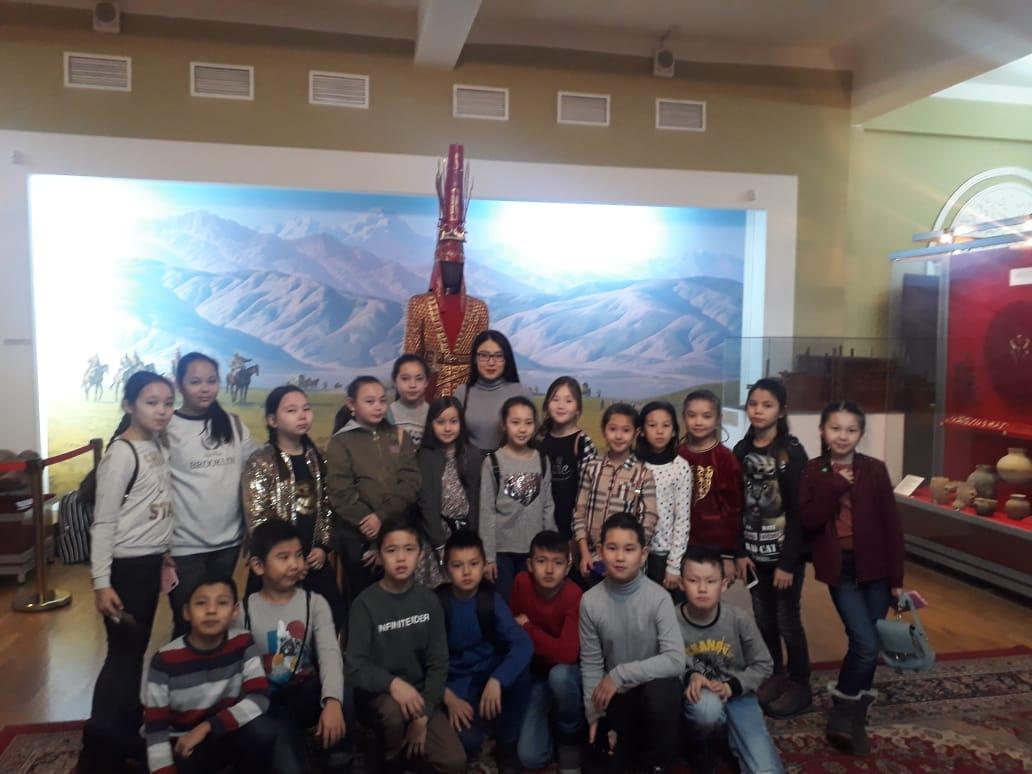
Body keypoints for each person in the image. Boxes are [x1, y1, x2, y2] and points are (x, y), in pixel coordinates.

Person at [79, 371, 175, 773]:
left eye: (168, 403)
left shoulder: (157, 444)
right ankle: (97, 751)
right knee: (122, 656)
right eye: (152, 402)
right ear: (129, 405)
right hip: (126, 569)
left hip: (148, 564)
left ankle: (123, 736)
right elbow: (103, 523)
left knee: (134, 653)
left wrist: (165, 555)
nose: (162, 410)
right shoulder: (121, 454)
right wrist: (101, 584)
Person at [799, 400, 904, 756]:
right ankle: (845, 711)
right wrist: (834, 485)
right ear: (822, 431)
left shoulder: (874, 469)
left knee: (866, 643)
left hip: (877, 569)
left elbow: (892, 526)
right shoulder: (814, 470)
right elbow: (810, 520)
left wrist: (897, 578)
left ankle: (851, 714)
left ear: (860, 434)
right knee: (865, 643)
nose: (842, 436)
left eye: (851, 429)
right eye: (835, 428)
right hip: (840, 570)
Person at [345, 520, 466, 774]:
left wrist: (423, 718)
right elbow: (355, 667)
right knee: (392, 715)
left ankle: (410, 752)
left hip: (420, 695)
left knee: (454, 762)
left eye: (409, 550)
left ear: (420, 555)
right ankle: (389, 760)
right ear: (379, 556)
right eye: (391, 551)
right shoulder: (364, 604)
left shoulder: (429, 600)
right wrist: (393, 684)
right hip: (379, 695)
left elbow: (438, 664)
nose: (401, 558)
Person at [579, 513, 685, 774]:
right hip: (616, 699)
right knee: (597, 767)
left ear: (643, 554)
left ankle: (659, 762)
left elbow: (675, 661)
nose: (620, 557)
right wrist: (595, 716)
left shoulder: (659, 598)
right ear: (600, 551)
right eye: (612, 548)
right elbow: (591, 662)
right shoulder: (590, 601)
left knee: (663, 691)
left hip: (652, 696)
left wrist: (620, 674)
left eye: (629, 549)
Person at [732, 378, 812, 717]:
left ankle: (800, 683)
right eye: (753, 404)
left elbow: (799, 511)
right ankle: (774, 673)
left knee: (787, 619)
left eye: (767, 405)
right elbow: (735, 506)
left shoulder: (792, 453)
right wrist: (739, 552)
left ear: (781, 411)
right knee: (763, 618)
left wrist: (788, 562)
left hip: (783, 559)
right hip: (753, 556)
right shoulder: (740, 451)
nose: (758, 411)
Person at [243, 521, 350, 774]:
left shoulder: (315, 603)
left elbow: (330, 654)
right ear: (258, 565)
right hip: (267, 703)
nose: (294, 564)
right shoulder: (244, 611)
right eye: (283, 557)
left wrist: (333, 702)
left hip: (305, 693)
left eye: (299, 555)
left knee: (344, 686)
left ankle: (339, 758)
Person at [143, 575, 279, 774]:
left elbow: (259, 698)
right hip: (183, 741)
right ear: (186, 612)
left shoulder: (243, 642)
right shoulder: (165, 660)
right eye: (201, 603)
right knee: (183, 761)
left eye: (222, 603)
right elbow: (156, 727)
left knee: (263, 731)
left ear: (235, 611)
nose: (211, 610)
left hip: (223, 729)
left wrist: (207, 727)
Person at [167, 352, 256, 638]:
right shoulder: (167, 428)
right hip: (183, 547)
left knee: (218, 622)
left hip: (228, 543)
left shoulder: (234, 424)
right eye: (195, 382)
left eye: (211, 381)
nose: (205, 388)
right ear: (179, 385)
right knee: (187, 624)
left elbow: (254, 471)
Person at [242, 385, 345, 631]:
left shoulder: (318, 458)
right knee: (272, 628)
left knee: (331, 617)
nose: (302, 415)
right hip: (275, 564)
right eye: (291, 410)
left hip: (314, 559)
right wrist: (288, 559)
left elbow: (327, 506)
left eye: (306, 409)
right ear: (272, 420)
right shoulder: (261, 462)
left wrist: (322, 546)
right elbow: (258, 519)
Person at [678, 546, 782, 774]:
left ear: (723, 584)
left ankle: (730, 737)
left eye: (711, 581)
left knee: (766, 770)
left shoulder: (739, 619)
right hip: (701, 697)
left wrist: (731, 686)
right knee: (707, 711)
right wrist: (690, 675)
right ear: (681, 583)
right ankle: (698, 742)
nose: (702, 588)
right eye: (693, 581)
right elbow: (663, 662)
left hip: (739, 695)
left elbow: (764, 664)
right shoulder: (671, 621)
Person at [438, 530, 533, 773]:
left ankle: (507, 744)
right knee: (467, 742)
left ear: (483, 566)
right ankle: (482, 728)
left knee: (521, 674)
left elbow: (523, 644)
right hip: (455, 682)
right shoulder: (438, 603)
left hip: (487, 671)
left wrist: (497, 679)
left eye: (473, 564)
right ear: (446, 569)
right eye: (457, 565)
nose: (466, 572)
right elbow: (421, 661)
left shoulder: (490, 599)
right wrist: (448, 698)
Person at [403, 144, 490, 399]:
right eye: (447, 265)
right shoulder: (419, 305)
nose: (453, 270)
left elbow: (483, 356)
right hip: (430, 386)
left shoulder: (478, 309)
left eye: (457, 266)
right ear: (438, 267)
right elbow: (411, 355)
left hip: (468, 389)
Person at [326, 376, 420, 605]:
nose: (378, 407)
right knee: (364, 601)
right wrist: (369, 524)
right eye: (369, 401)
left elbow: (410, 482)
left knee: (401, 599)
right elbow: (341, 493)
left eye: (382, 400)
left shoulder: (399, 436)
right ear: (351, 404)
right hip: (357, 537)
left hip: (398, 532)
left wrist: (382, 518)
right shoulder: (341, 442)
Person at [510, 530, 585, 774]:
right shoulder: (522, 583)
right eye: (542, 561)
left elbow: (567, 655)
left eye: (557, 563)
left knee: (560, 675)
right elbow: (512, 633)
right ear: (530, 564)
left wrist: (529, 628)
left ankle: (569, 732)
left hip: (569, 675)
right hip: (537, 676)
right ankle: (547, 729)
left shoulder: (574, 595)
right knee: (530, 757)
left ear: (568, 566)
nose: (549, 570)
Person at [572, 403, 658, 589]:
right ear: (604, 431)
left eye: (626, 430)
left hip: (627, 564)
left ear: (636, 433)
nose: (618, 436)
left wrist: (630, 556)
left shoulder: (642, 475)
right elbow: (579, 512)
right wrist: (584, 552)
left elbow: (648, 519)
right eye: (612, 429)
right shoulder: (591, 469)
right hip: (593, 560)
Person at [479, 396, 557, 599]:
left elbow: (548, 506)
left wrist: (551, 550)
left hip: (535, 552)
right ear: (504, 425)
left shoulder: (542, 461)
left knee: (531, 604)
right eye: (515, 422)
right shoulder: (492, 462)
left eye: (528, 423)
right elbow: (486, 512)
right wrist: (488, 557)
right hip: (502, 552)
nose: (522, 429)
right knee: (504, 604)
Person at [677, 389, 744, 581]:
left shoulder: (726, 459)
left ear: (717, 419)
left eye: (706, 416)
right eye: (692, 415)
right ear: (684, 417)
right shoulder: (677, 455)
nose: (698, 422)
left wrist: (728, 554)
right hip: (680, 544)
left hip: (715, 546)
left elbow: (734, 510)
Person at [415, 396, 481, 587]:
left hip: (465, 533)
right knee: (440, 588)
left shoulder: (471, 454)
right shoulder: (425, 456)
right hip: (437, 535)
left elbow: (476, 497)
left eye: (453, 421)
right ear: (431, 424)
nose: (447, 428)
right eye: (440, 422)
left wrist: (472, 534)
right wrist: (439, 543)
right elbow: (426, 502)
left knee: (463, 585)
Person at [637, 401, 692, 596]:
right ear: (642, 431)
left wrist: (674, 565)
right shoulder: (635, 463)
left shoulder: (680, 467)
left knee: (665, 606)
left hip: (664, 553)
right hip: (635, 550)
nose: (659, 431)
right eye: (652, 425)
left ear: (674, 431)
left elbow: (682, 518)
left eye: (666, 425)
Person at [536, 376, 598, 541]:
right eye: (555, 399)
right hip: (538, 526)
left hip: (571, 530)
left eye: (568, 401)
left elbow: (589, 493)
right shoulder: (538, 439)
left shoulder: (583, 442)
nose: (561, 405)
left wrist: (579, 536)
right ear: (547, 405)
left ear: (578, 408)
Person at [453, 330, 530, 452]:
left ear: (506, 360)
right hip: (470, 461)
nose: (491, 362)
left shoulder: (520, 393)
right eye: (484, 355)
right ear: (474, 358)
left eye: (498, 356)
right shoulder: (462, 393)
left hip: (508, 461)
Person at [388, 354, 431, 447]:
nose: (412, 385)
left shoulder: (432, 413)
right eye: (405, 379)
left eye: (419, 379)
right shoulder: (387, 413)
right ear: (394, 381)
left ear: (427, 382)